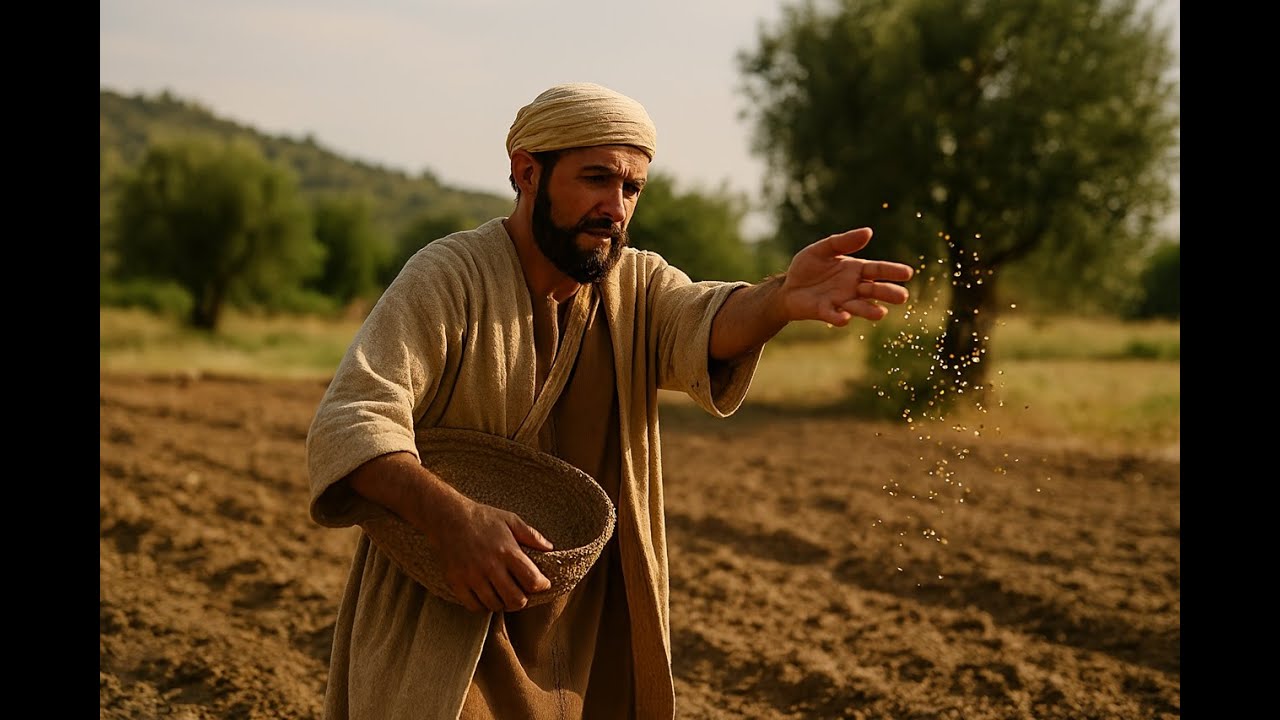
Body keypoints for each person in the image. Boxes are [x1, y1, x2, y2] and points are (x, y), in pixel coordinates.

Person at [305, 81, 914, 720]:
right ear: (527, 173)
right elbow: (354, 417)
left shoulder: (637, 287)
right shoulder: (449, 275)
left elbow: (702, 320)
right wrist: (454, 521)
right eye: (596, 180)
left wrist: (781, 297)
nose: (615, 207)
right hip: (447, 614)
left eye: (631, 189)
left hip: (587, 629)